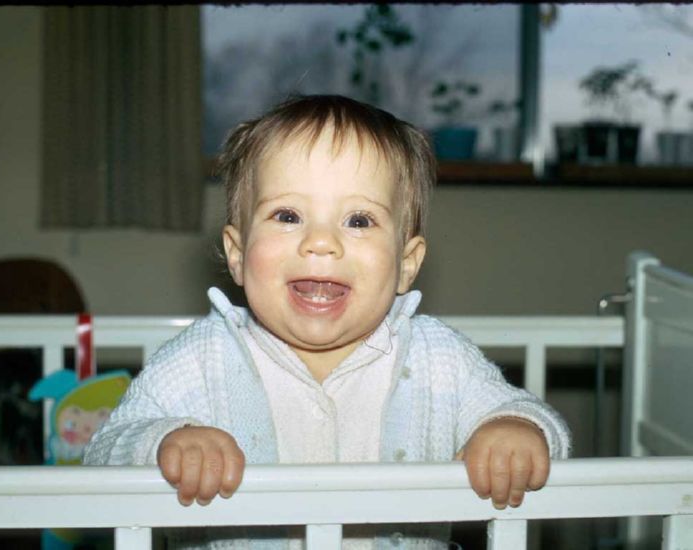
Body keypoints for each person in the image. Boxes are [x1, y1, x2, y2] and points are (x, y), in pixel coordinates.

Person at [83, 94, 571, 548]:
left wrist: (514, 428)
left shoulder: (436, 358)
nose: (321, 242)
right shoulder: (202, 359)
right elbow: (103, 453)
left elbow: (534, 422)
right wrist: (165, 441)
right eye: (288, 215)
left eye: (358, 220)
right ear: (236, 254)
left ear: (406, 263)